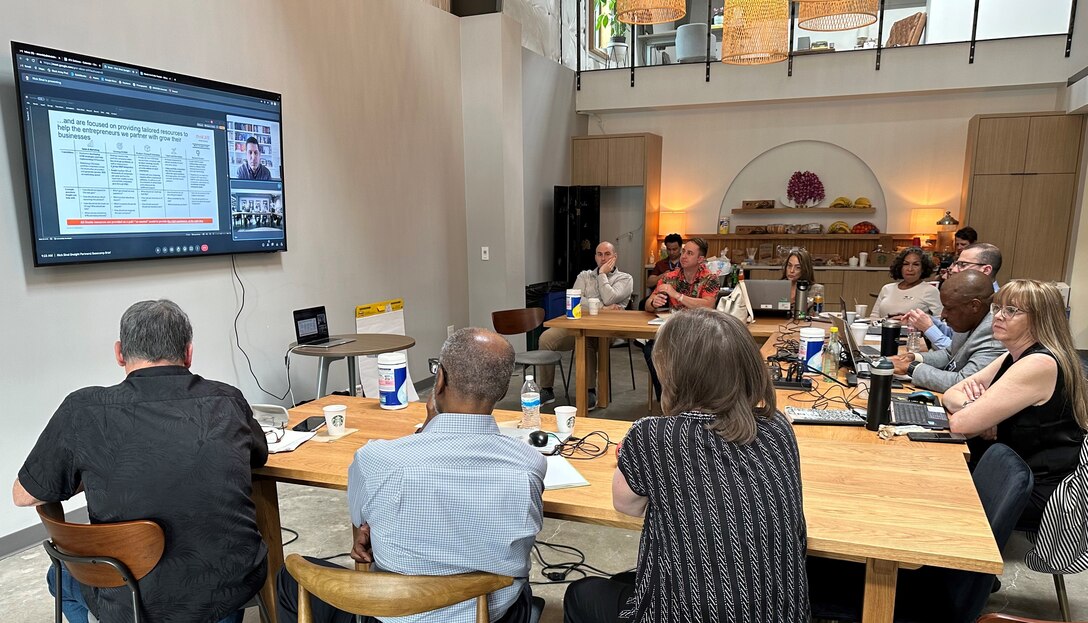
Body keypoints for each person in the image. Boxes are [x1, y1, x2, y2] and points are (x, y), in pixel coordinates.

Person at [12, 300, 268, 623]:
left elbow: (23, 494)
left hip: (127, 598)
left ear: (119, 353)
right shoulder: (227, 400)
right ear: (189, 353)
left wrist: (90, 471)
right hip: (226, 593)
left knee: (58, 577)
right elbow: (258, 456)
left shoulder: (82, 410)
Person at [276, 328, 545, 623]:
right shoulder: (529, 464)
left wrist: (427, 429)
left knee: (289, 580)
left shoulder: (376, 460)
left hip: (391, 615)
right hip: (491, 615)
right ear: (503, 391)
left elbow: (360, 524)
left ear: (439, 380)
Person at [563, 309, 809, 623]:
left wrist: (639, 459)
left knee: (582, 593)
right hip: (780, 612)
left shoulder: (653, 434)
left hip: (687, 613)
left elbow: (626, 505)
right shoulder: (779, 427)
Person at [943, 279, 1087, 526]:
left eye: (1012, 310)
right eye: (997, 308)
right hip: (1009, 472)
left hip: (1031, 489)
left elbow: (960, 424)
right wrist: (978, 408)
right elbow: (950, 393)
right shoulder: (1013, 356)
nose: (998, 316)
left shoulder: (1039, 363)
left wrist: (978, 413)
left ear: (1041, 319)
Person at [537, 241, 634, 408]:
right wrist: (603, 307)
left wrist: (602, 275)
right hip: (578, 324)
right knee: (546, 338)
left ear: (615, 257)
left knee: (587, 339)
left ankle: (589, 390)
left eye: (607, 254)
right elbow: (576, 301)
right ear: (595, 256)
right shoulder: (584, 276)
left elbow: (611, 297)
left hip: (609, 331)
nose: (603, 258)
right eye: (599, 254)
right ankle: (547, 389)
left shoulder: (625, 278)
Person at [890, 270, 1005, 393]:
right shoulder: (970, 319)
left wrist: (911, 368)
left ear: (974, 306)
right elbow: (950, 355)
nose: (943, 315)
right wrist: (913, 358)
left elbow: (965, 382)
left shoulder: (995, 332)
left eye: (949, 308)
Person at [643, 238, 720, 401]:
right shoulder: (670, 277)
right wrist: (653, 302)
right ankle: (666, 400)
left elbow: (708, 305)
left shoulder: (710, 278)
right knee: (651, 350)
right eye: (684, 251)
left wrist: (677, 295)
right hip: (675, 331)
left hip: (700, 332)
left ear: (700, 259)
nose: (683, 256)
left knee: (693, 356)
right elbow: (648, 304)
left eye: (689, 253)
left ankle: (691, 400)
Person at [902, 242, 1003, 349]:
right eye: (956, 264)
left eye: (963, 265)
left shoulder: (997, 307)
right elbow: (955, 336)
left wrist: (929, 328)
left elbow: (959, 355)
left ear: (986, 270)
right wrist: (927, 320)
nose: (954, 270)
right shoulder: (968, 294)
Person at [870, 247, 942, 319]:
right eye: (906, 264)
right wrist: (888, 322)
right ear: (900, 267)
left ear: (923, 268)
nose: (910, 269)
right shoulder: (887, 288)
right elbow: (873, 318)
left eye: (916, 264)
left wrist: (911, 323)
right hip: (884, 329)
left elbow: (940, 321)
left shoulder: (930, 291)